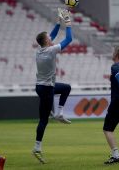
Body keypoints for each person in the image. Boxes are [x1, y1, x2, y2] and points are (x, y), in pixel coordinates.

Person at [32, 8, 73, 163]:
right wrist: (67, 21)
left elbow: (53, 34)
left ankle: (59, 113)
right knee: (43, 120)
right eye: (49, 37)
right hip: (47, 88)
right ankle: (37, 148)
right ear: (47, 42)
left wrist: (58, 20)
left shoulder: (40, 49)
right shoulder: (51, 51)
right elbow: (69, 39)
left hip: (41, 86)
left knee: (66, 88)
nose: (51, 37)